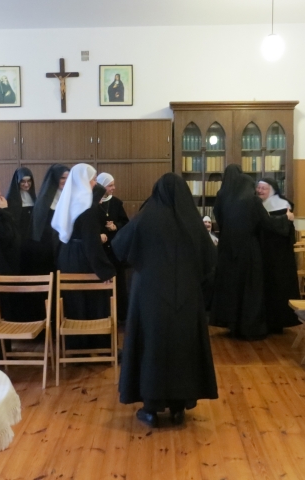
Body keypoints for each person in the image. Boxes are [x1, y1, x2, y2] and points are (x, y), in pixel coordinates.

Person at [112, 173, 218, 428]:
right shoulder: (192, 220)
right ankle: (179, 407)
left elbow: (119, 246)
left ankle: (150, 408)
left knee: (150, 347)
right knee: (183, 349)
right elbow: (211, 260)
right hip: (186, 297)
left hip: (149, 297)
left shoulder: (147, 216)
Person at [210, 165, 293, 339]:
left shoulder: (224, 199)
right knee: (250, 289)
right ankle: (249, 327)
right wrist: (285, 218)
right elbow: (267, 223)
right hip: (248, 250)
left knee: (232, 288)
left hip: (227, 250)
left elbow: (221, 221)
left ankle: (232, 325)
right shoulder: (252, 201)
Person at [52, 164, 116, 349]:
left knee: (75, 300)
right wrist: (104, 270)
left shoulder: (69, 199)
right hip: (83, 256)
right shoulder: (87, 206)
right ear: (83, 181)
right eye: (93, 180)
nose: (95, 183)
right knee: (93, 298)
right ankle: (97, 346)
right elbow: (91, 242)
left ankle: (75, 346)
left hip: (67, 255)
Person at [257, 178, 300, 334]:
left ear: (273, 190)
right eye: (258, 188)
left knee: (278, 288)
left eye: (264, 188)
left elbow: (285, 232)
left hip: (280, 257)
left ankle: (278, 321)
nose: (260, 191)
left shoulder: (283, 206)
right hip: (263, 254)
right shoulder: (258, 205)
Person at [96, 172, 129, 321]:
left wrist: (116, 226)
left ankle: (120, 316)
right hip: (100, 250)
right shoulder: (94, 202)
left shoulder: (116, 203)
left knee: (118, 282)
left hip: (115, 250)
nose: (113, 188)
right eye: (110, 185)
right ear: (102, 186)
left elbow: (126, 224)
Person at [30, 164, 70, 274]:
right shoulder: (44, 200)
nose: (66, 181)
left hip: (66, 245)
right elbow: (38, 228)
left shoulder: (72, 197)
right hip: (48, 246)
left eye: (68, 178)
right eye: (62, 178)